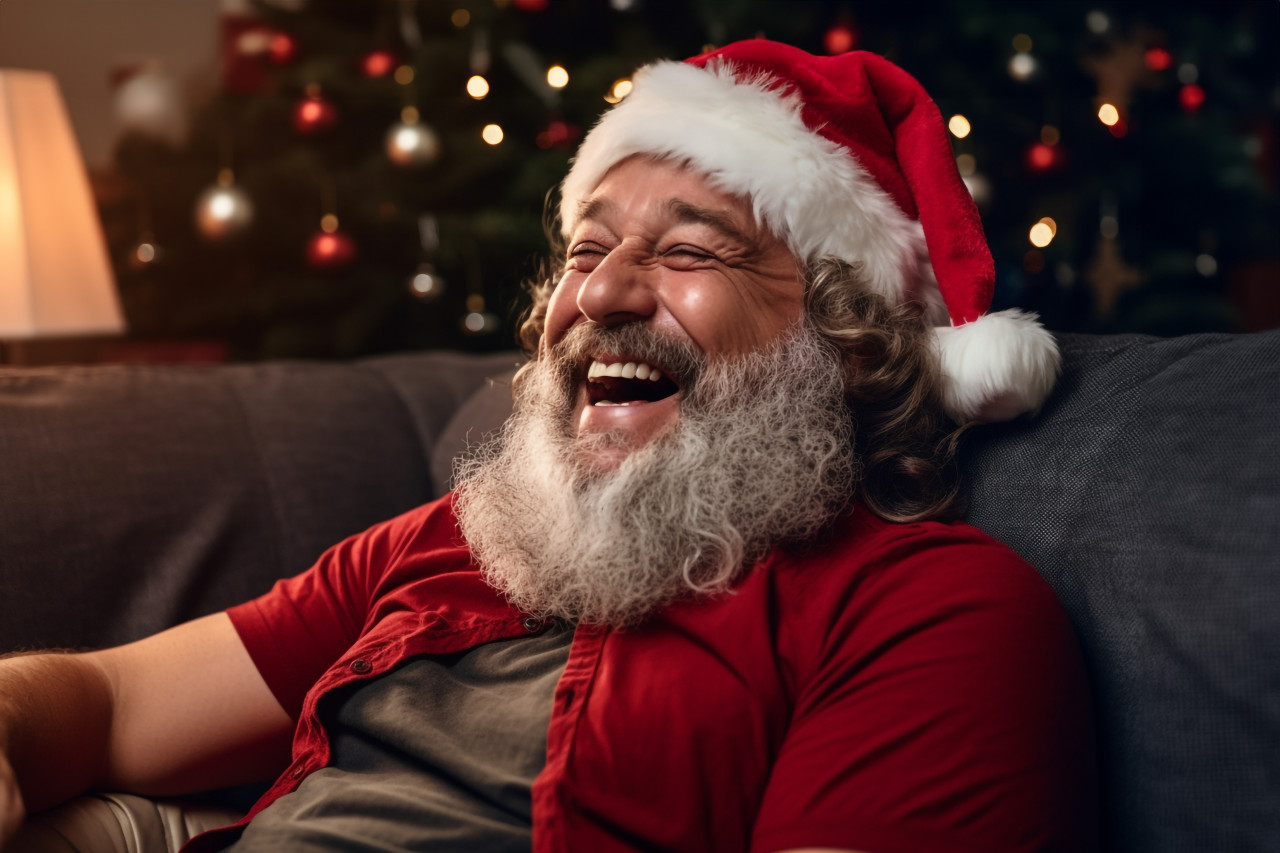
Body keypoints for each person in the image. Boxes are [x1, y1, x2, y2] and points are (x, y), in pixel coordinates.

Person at [0, 40, 1096, 853]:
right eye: (585, 247)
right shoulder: (465, 538)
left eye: (684, 251)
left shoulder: (928, 612)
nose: (602, 290)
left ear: (844, 341)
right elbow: (110, 705)